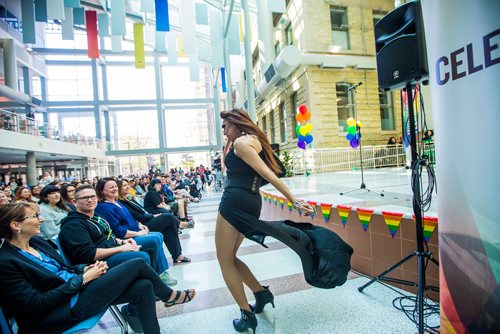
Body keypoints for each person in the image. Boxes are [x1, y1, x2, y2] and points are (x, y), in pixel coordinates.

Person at [217, 109, 353, 333]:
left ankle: (246, 314)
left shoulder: (242, 143)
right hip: (250, 200)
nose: (223, 131)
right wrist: (229, 143)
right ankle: (260, 293)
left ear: (236, 123)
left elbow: (268, 175)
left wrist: (294, 201)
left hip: (234, 202)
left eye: (225, 126)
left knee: (224, 261)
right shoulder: (253, 140)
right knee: (230, 258)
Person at [0, 202, 196, 334]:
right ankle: (168, 296)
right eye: (34, 216)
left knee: (143, 286)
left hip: (75, 291)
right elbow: (35, 304)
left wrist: (86, 269)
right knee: (137, 263)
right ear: (16, 225)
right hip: (56, 311)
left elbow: (64, 268)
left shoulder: (38, 244)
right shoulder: (6, 262)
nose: (41, 219)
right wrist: (83, 279)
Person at [94, 178, 177, 286]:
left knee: (159, 235)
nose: (114, 189)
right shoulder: (104, 207)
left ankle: (158, 270)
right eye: (111, 187)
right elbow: (118, 230)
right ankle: (160, 272)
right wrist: (138, 234)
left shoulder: (116, 202)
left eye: (115, 186)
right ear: (102, 191)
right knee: (154, 239)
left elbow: (130, 218)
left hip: (136, 231)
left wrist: (140, 225)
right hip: (127, 238)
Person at [117, 179, 191, 264]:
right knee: (168, 218)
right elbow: (138, 216)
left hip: (146, 219)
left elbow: (142, 210)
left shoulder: (129, 198)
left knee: (169, 227)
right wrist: (153, 216)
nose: (128, 187)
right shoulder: (122, 202)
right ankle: (180, 224)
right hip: (143, 224)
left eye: (127, 185)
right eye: (124, 185)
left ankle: (177, 255)